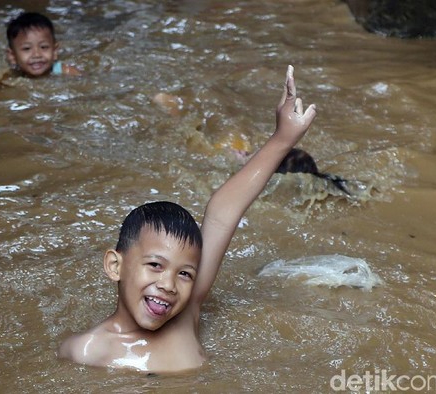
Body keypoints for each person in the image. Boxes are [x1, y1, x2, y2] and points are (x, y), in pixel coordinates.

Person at [58, 65, 317, 372]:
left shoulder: (185, 310)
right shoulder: (84, 352)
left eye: (185, 274)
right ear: (116, 266)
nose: (168, 284)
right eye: (155, 265)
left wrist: (282, 139)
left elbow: (223, 213)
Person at [5, 12, 82, 78]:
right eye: (27, 48)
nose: (37, 54)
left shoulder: (67, 72)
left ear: (55, 51)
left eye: (43, 47)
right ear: (12, 56)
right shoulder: (12, 76)